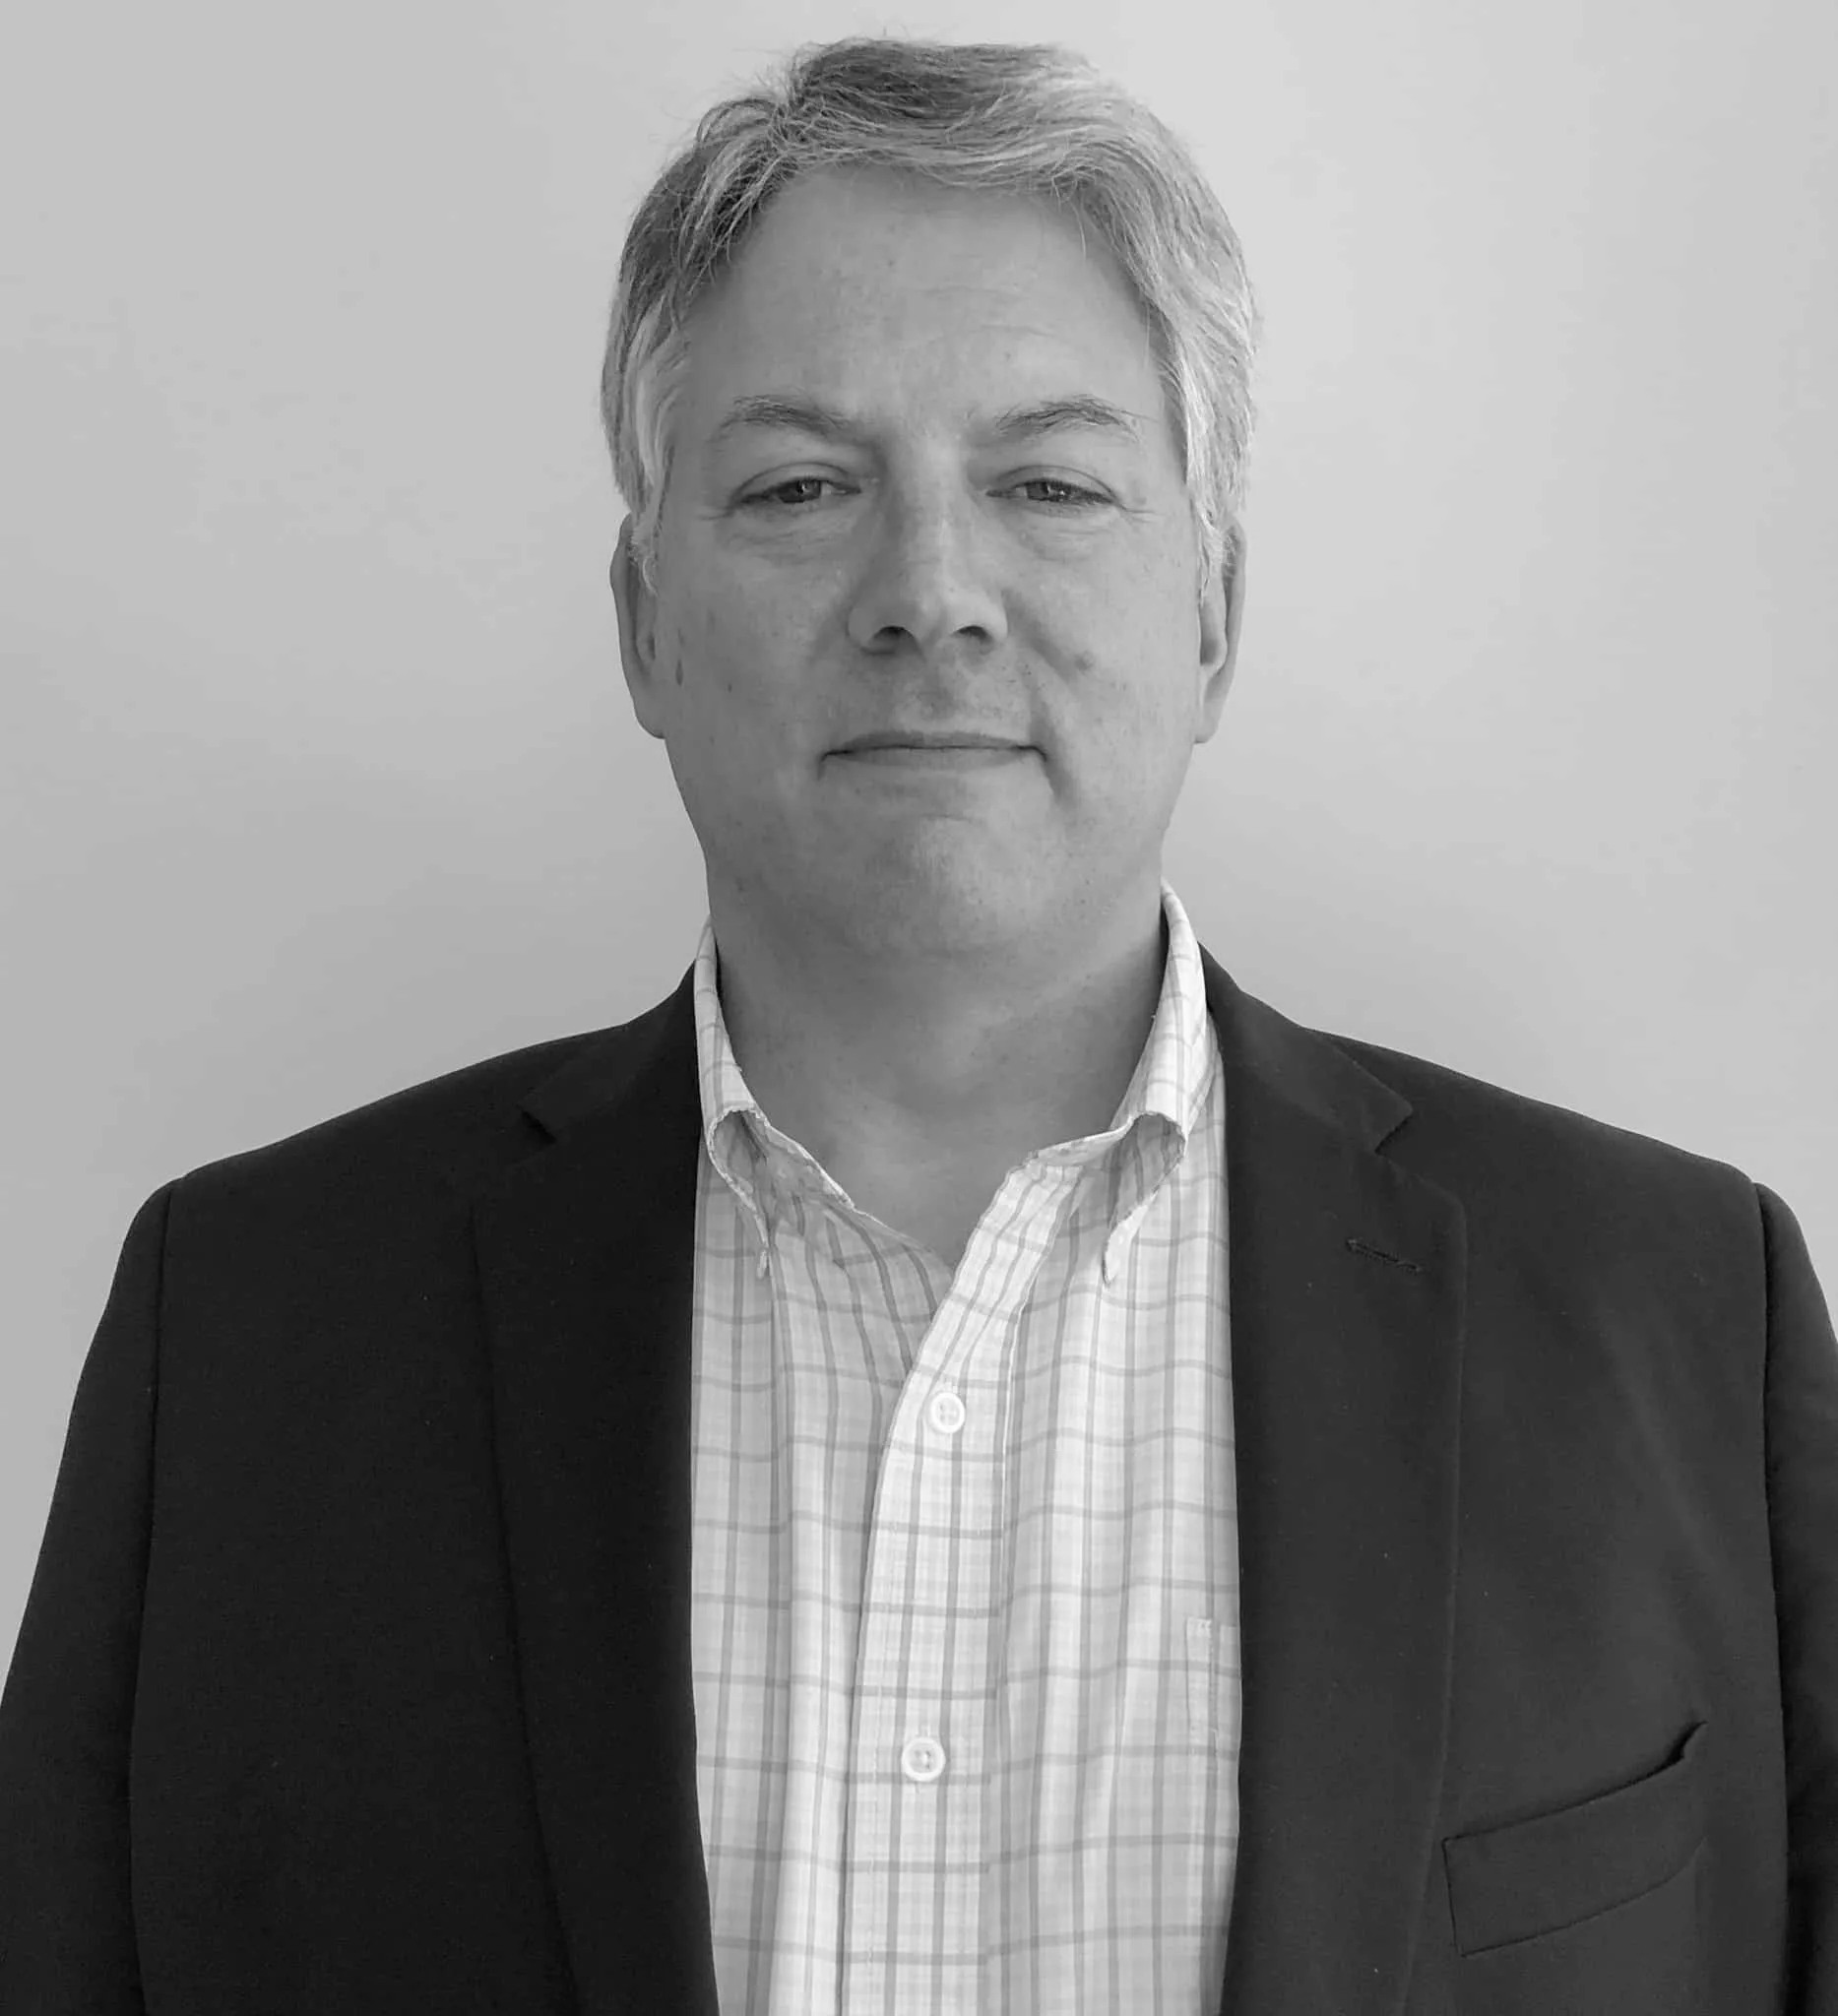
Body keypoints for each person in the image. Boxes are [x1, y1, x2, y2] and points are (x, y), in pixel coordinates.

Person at [1, 31, 1832, 2016]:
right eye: (800, 485)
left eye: (1048, 480)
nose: (931, 590)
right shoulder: (252, 1330)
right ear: (640, 620)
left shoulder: (1676, 1320)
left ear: (1214, 606)